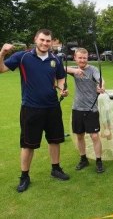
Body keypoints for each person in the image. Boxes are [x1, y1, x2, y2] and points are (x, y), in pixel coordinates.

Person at [0, 29, 70, 193]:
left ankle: (55, 169)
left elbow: (60, 77)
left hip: (52, 107)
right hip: (31, 108)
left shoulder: (55, 59)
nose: (45, 43)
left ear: (52, 42)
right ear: (35, 40)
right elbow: (1, 69)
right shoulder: (23, 57)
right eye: (42, 40)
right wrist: (2, 52)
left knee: (55, 140)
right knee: (28, 144)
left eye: (48, 41)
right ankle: (24, 176)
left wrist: (62, 88)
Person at [67, 48, 105, 173]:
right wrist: (75, 70)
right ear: (75, 58)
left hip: (91, 108)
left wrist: (101, 86)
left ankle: (99, 161)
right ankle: (83, 159)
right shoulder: (74, 69)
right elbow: (59, 68)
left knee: (94, 136)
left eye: (85, 58)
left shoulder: (93, 69)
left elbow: (100, 79)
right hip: (77, 107)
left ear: (87, 58)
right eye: (80, 58)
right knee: (79, 136)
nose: (82, 60)